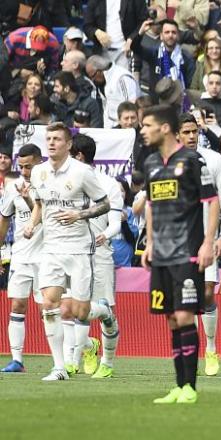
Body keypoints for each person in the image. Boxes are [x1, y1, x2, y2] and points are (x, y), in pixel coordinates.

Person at [23, 122, 114, 381]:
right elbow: (40, 204)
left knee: (79, 312)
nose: (51, 143)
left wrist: (79, 214)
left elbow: (105, 204)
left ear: (68, 144)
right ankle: (59, 367)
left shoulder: (83, 172)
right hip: (51, 248)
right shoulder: (38, 172)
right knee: (50, 304)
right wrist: (32, 222)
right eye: (48, 138)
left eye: (57, 139)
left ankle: (104, 312)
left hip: (79, 249)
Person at [141, 105, 219, 404]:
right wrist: (149, 242)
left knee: (186, 316)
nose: (143, 131)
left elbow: (212, 202)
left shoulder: (191, 160)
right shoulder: (151, 163)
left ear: (163, 128)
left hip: (187, 251)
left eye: (147, 125)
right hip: (161, 253)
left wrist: (207, 242)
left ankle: (190, 387)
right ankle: (178, 385)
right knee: (172, 319)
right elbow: (150, 204)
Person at [178, 113, 221, 377]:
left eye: (194, 131)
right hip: (178, 240)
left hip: (207, 238)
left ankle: (211, 348)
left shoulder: (213, 159)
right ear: (176, 134)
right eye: (186, 132)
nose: (191, 136)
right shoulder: (168, 162)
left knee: (208, 293)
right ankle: (191, 351)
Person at [69, 134, 123, 378]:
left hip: (100, 254)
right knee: (67, 308)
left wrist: (106, 235)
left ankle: (108, 363)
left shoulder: (108, 184)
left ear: (79, 156)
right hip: (70, 252)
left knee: (105, 311)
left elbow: (115, 224)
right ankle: (86, 349)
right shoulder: (64, 183)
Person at [0, 144, 43, 372]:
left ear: (39, 161)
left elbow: (45, 216)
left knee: (49, 309)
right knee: (17, 305)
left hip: (47, 256)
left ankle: (67, 357)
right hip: (21, 256)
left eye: (29, 166)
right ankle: (17, 360)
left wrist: (29, 200)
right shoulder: (12, 188)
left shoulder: (49, 185)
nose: (25, 171)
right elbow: (5, 220)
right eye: (22, 166)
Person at [86, 55, 140, 128]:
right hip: (111, 126)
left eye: (92, 76)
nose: (93, 80)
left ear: (99, 72)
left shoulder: (121, 77)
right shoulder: (102, 82)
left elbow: (131, 103)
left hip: (125, 126)